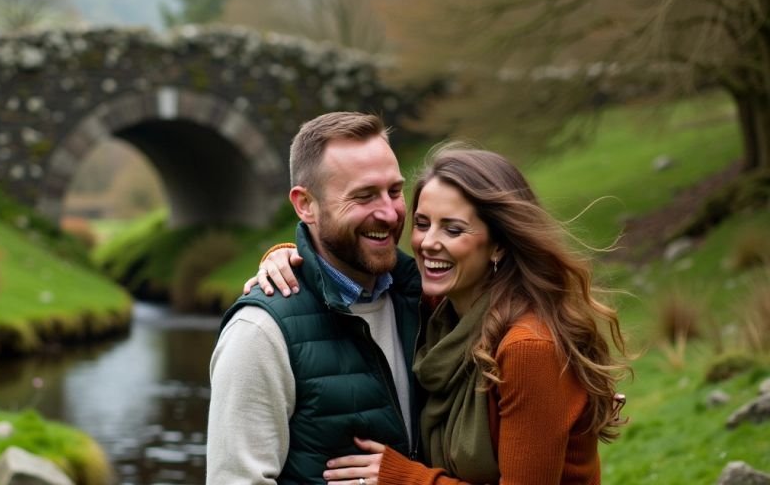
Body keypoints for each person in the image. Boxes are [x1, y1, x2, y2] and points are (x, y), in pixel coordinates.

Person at [253, 142, 630, 484]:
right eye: (421, 224)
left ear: (498, 245)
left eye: (453, 229)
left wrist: (405, 479)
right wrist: (289, 256)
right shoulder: (438, 315)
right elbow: (347, 264)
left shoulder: (527, 348)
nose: (428, 243)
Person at [206, 112, 425, 484]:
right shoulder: (259, 333)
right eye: (364, 196)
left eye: (394, 190)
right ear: (305, 205)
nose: (389, 213)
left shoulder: (426, 299)